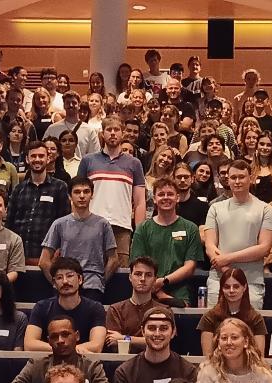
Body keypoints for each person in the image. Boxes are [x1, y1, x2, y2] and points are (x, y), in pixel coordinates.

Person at [0, 316, 115, 383]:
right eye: (54, 336)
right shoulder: (36, 365)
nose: (60, 340)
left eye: (65, 334)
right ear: (48, 341)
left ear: (77, 336)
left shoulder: (91, 366)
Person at [76, 115, 146, 278]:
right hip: (91, 225)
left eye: (116, 129)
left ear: (122, 133)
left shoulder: (134, 163)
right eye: (109, 130)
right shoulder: (88, 161)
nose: (113, 133)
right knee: (88, 271)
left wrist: (139, 232)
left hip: (121, 228)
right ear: (102, 133)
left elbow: (140, 202)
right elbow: (78, 195)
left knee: (119, 275)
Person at [204, 160, 272, 309]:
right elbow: (210, 245)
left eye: (241, 177)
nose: (237, 181)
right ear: (228, 180)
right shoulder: (215, 208)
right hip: (219, 279)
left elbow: (264, 248)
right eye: (233, 177)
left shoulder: (265, 209)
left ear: (250, 178)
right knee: (216, 323)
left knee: (248, 323)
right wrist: (228, 272)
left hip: (251, 281)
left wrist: (228, 258)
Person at [38, 176, 117, 301]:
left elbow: (113, 259)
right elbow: (43, 261)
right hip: (66, 284)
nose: (82, 196)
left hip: (93, 285)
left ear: (92, 195)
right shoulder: (59, 224)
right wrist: (56, 283)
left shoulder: (103, 224)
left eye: (86, 191)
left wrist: (101, 281)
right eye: (77, 192)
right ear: (69, 196)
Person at [130, 177, 203, 307]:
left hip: (180, 296)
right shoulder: (143, 229)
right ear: (154, 199)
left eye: (170, 194)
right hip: (147, 294)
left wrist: (164, 281)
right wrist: (159, 293)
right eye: (161, 194)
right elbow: (138, 265)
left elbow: (190, 266)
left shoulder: (191, 228)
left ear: (177, 197)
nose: (165, 197)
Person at [112, 307, 197, 383]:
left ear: (173, 332)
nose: (157, 334)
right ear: (143, 331)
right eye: (151, 328)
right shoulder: (125, 372)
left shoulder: (188, 371)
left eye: (163, 328)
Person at [23, 258, 107, 353]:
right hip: (50, 360)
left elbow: (96, 345)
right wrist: (64, 349)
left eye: (69, 276)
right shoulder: (42, 307)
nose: (65, 281)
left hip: (84, 360)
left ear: (80, 279)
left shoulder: (95, 308)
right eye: (59, 277)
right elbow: (29, 344)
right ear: (54, 283)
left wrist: (65, 350)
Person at [7, 141, 71, 264]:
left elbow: (64, 223)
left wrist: (59, 250)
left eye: (41, 156)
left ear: (48, 159)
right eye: (33, 156)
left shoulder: (60, 187)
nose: (37, 159)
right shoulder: (18, 189)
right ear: (27, 159)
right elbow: (9, 224)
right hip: (19, 256)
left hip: (47, 257)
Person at [197, 317, 272, 383]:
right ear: (219, 343)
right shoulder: (207, 374)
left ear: (246, 342)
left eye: (234, 337)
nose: (229, 342)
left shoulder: (264, 377)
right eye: (224, 338)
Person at [196, 267, 267, 358]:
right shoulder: (209, 317)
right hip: (217, 365)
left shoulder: (256, 318)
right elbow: (208, 357)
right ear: (221, 289)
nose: (231, 290)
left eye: (236, 286)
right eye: (227, 287)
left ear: (244, 287)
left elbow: (259, 357)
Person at [105, 256, 168, 352]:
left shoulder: (164, 311)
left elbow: (163, 342)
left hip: (155, 360)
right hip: (124, 360)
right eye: (138, 274)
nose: (142, 279)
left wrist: (124, 338)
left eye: (148, 275)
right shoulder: (115, 309)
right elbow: (113, 344)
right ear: (130, 277)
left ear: (155, 279)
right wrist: (147, 341)